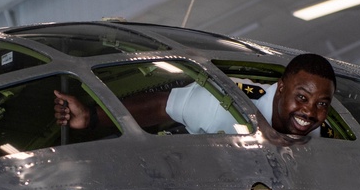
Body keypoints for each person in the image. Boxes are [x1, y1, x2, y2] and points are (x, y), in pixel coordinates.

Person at [53, 53, 336, 140]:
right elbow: (162, 105)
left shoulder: (325, 134)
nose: (310, 112)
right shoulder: (222, 102)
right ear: (282, 87)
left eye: (321, 104)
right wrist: (92, 117)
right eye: (302, 98)